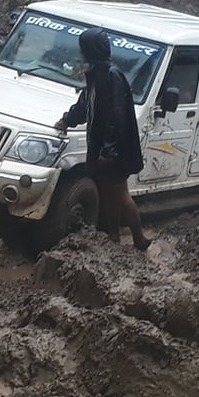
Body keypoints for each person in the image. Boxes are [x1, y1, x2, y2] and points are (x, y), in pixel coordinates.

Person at [53, 28, 151, 251]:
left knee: (120, 193)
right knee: (108, 193)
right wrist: (67, 121)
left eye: (82, 47)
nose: (79, 51)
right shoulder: (96, 73)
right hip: (103, 146)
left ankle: (139, 238)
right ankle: (113, 236)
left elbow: (115, 115)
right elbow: (84, 104)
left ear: (89, 49)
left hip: (115, 149)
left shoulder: (111, 76)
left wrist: (109, 151)